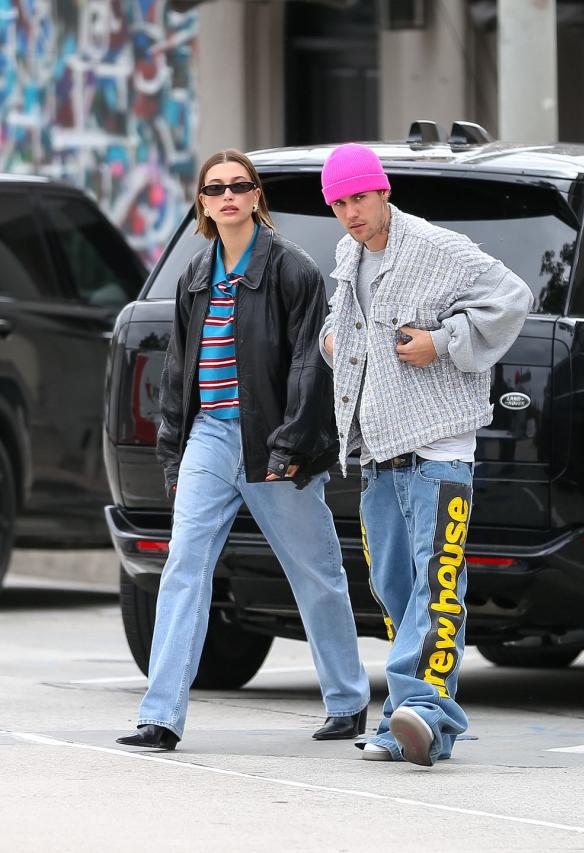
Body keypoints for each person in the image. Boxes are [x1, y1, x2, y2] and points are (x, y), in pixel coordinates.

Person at [117, 149, 369, 751]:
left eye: (238, 186)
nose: (227, 196)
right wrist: (175, 451)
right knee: (183, 568)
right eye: (214, 189)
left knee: (317, 572)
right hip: (210, 436)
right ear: (202, 204)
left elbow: (311, 364)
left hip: (274, 443)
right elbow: (180, 370)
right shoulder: (195, 276)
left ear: (256, 196)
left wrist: (293, 445)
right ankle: (161, 716)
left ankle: (347, 701)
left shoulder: (293, 270)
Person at [319, 143, 532, 766]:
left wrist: (443, 341)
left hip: (438, 447)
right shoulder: (347, 253)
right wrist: (335, 338)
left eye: (360, 197)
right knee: (394, 588)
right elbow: (348, 319)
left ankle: (421, 716)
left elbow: (511, 297)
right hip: (378, 448)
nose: (351, 212)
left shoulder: (438, 248)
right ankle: (414, 719)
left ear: (383, 192)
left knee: (437, 588)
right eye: (339, 202)